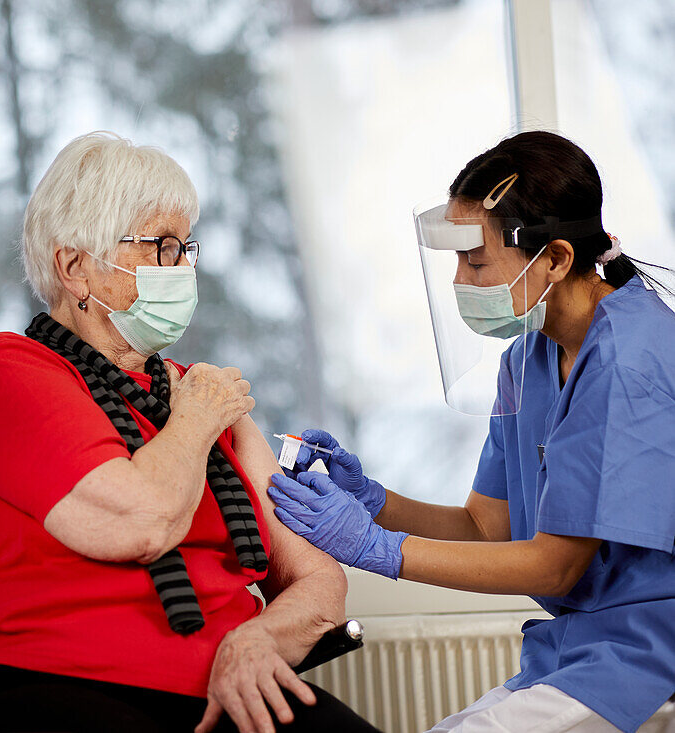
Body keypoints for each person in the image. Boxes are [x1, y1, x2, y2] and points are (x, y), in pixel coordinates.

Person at [0, 131, 376, 733]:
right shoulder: (6, 370)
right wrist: (194, 421)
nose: (183, 268)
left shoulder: (203, 396)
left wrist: (257, 641)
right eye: (161, 247)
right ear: (75, 267)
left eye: (187, 246)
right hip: (46, 680)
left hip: (225, 689)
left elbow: (318, 580)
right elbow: (140, 523)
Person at [268, 131, 675, 733]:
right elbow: (488, 527)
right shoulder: (527, 359)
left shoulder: (631, 360)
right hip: (582, 649)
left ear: (558, 259)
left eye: (476, 259)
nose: (461, 279)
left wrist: (379, 552)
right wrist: (375, 504)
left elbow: (555, 568)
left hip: (651, 654)